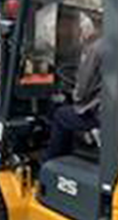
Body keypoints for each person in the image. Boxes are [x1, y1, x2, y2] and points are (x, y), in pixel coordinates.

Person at [43, 12, 103, 161]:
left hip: (102, 113)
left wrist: (74, 94)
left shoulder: (96, 49)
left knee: (61, 115)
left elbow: (82, 90)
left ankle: (51, 161)